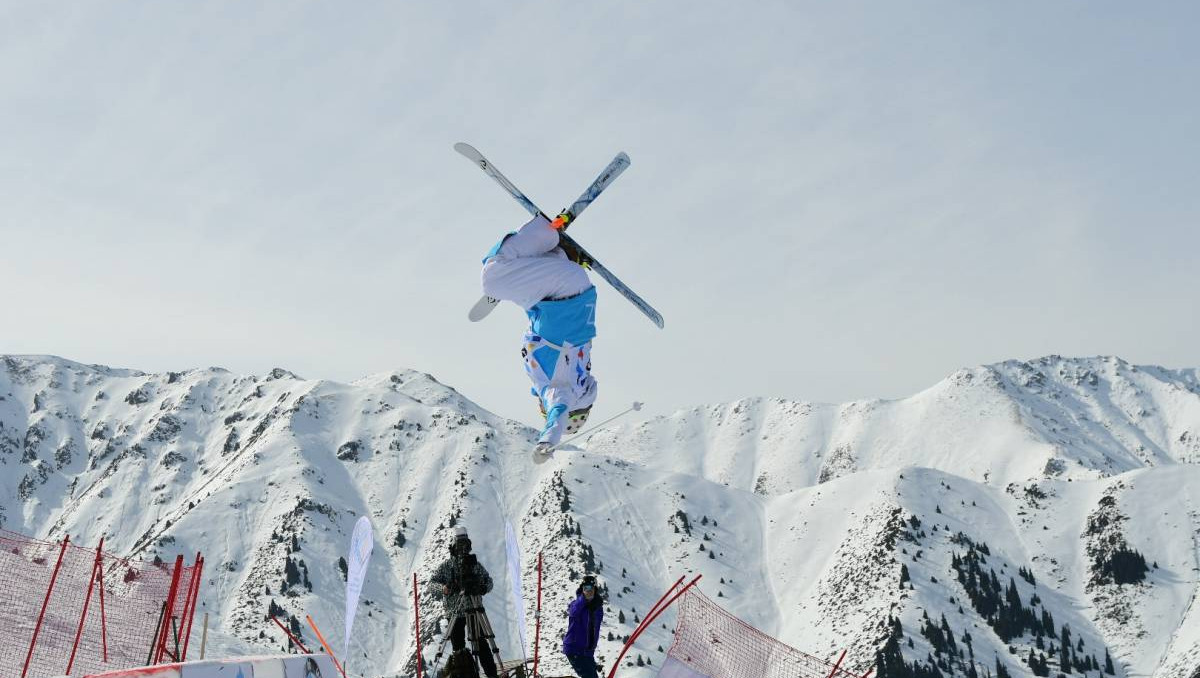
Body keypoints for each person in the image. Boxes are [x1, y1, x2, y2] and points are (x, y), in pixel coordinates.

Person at [481, 213, 599, 453]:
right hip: (561, 286)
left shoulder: (573, 377)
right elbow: (558, 413)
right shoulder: (562, 392)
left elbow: (543, 327)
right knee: (492, 278)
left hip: (564, 290)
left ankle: (560, 254)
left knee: (508, 281)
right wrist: (548, 439)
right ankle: (546, 232)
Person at [429, 528, 498, 678]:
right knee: (458, 649)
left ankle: (492, 675)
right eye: (460, 546)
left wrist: (482, 587)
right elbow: (431, 584)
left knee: (481, 644)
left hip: (474, 608)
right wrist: (445, 588)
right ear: (453, 547)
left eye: (465, 546)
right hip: (455, 611)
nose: (462, 549)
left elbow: (489, 582)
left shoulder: (474, 565)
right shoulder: (447, 566)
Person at [562, 574, 604, 678]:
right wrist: (583, 599)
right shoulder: (577, 604)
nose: (588, 591)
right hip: (574, 649)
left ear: (595, 589)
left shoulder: (598, 608)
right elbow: (573, 612)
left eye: (590, 588)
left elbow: (594, 629)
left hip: (587, 651)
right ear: (582, 589)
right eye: (585, 588)